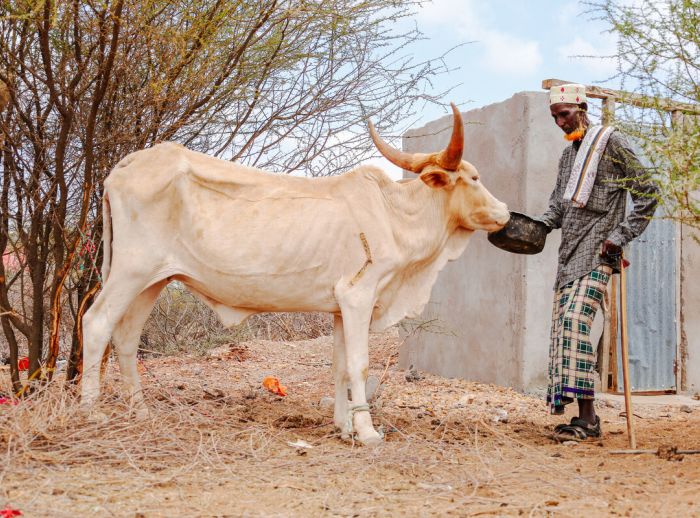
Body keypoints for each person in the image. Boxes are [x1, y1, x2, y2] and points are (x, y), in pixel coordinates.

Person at [538, 83, 658, 441]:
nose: (560, 121)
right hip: (568, 256)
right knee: (564, 331)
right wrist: (537, 227)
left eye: (565, 113)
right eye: (555, 116)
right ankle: (585, 420)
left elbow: (648, 192)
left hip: (599, 253)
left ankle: (588, 418)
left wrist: (619, 237)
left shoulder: (612, 143)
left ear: (582, 108)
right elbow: (559, 206)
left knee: (575, 322)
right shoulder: (567, 155)